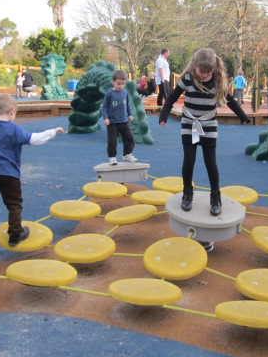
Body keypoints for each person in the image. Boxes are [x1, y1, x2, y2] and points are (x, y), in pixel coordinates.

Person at [159, 48, 250, 251]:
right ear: (195, 65)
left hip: (208, 125)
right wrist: (163, 115)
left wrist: (243, 115)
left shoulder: (218, 81)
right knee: (189, 160)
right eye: (202, 71)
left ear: (213, 68)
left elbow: (230, 100)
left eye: (208, 72)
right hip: (189, 123)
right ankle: (187, 193)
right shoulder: (188, 78)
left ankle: (215, 196)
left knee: (211, 163)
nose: (204, 74)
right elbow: (172, 97)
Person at [0, 93, 65, 247]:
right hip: (10, 173)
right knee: (14, 203)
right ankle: (15, 234)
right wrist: (52, 132)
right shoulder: (15, 129)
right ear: (13, 112)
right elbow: (34, 139)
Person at [101, 69, 137, 166]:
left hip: (124, 121)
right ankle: (112, 157)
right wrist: (106, 118)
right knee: (112, 141)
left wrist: (130, 114)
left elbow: (128, 105)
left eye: (123, 84)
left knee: (130, 138)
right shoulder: (109, 93)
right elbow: (104, 107)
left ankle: (127, 154)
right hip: (112, 122)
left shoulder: (124, 92)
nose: (121, 86)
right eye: (118, 84)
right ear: (113, 82)